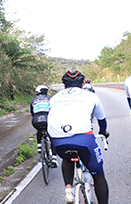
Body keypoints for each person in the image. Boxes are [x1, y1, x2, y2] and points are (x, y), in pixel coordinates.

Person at [48, 70, 110, 204]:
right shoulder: (90, 96)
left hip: (58, 140)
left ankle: (69, 190)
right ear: (82, 85)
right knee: (98, 176)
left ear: (64, 86)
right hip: (84, 139)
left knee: (67, 156)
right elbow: (101, 119)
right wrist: (104, 132)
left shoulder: (54, 98)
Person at [30, 85, 58, 168]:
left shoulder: (33, 100)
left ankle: (39, 146)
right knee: (52, 135)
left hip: (35, 120)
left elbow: (32, 113)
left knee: (39, 130)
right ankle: (54, 158)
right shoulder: (50, 99)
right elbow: (54, 112)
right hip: (48, 120)